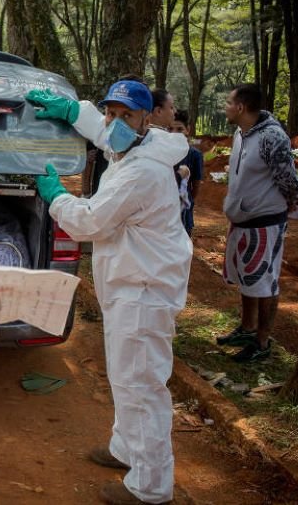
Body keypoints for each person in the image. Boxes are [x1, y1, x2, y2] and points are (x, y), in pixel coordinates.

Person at [26, 79, 191, 505]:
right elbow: (105, 133)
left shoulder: (142, 171)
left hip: (144, 292)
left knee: (142, 385)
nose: (115, 123)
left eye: (126, 115)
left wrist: (57, 196)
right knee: (126, 376)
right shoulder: (142, 144)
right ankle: (125, 448)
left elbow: (88, 223)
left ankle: (150, 488)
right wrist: (73, 111)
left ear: (147, 118)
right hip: (134, 285)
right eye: (110, 113)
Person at [216, 83, 298, 362]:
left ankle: (262, 343)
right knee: (246, 277)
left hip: (265, 223)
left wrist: (289, 204)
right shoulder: (241, 133)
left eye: (228, 102)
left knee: (265, 282)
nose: (225, 106)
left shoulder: (272, 137)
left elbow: (288, 179)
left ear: (240, 107)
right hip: (242, 222)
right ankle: (248, 327)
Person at [169, 110, 203, 236]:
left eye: (179, 129)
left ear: (187, 129)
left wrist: (187, 199)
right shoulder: (162, 152)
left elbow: (196, 185)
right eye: (170, 129)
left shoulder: (194, 154)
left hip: (184, 209)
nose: (174, 133)